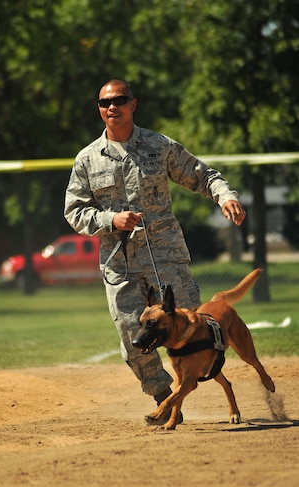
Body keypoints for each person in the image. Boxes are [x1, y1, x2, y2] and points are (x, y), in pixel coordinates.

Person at [64, 78, 246, 424]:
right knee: (135, 340)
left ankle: (197, 383)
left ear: (133, 104)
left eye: (119, 100)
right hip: (121, 267)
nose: (111, 107)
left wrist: (226, 196)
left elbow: (202, 175)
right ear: (99, 109)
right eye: (104, 103)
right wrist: (111, 219)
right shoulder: (87, 160)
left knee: (194, 330)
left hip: (167, 261)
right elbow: (74, 212)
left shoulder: (158, 146)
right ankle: (166, 400)